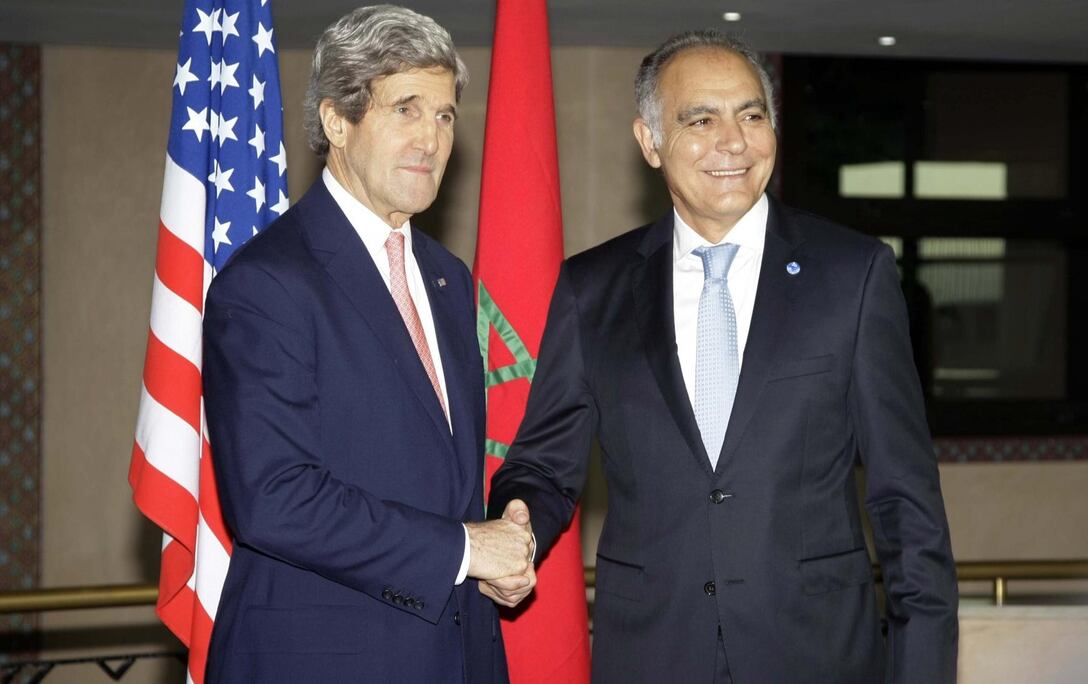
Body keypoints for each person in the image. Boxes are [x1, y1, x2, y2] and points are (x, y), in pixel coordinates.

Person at [488, 30, 958, 683]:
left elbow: (906, 501)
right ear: (650, 142)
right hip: (651, 655)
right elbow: (543, 463)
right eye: (700, 120)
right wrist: (517, 516)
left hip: (819, 656)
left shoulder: (853, 275)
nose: (733, 141)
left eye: (751, 114)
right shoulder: (592, 289)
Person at [202, 6, 534, 682]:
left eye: (444, 115)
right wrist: (465, 551)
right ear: (336, 121)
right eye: (405, 109)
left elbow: (441, 476)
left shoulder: (447, 277)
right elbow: (273, 497)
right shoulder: (268, 280)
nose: (431, 138)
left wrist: (496, 543)